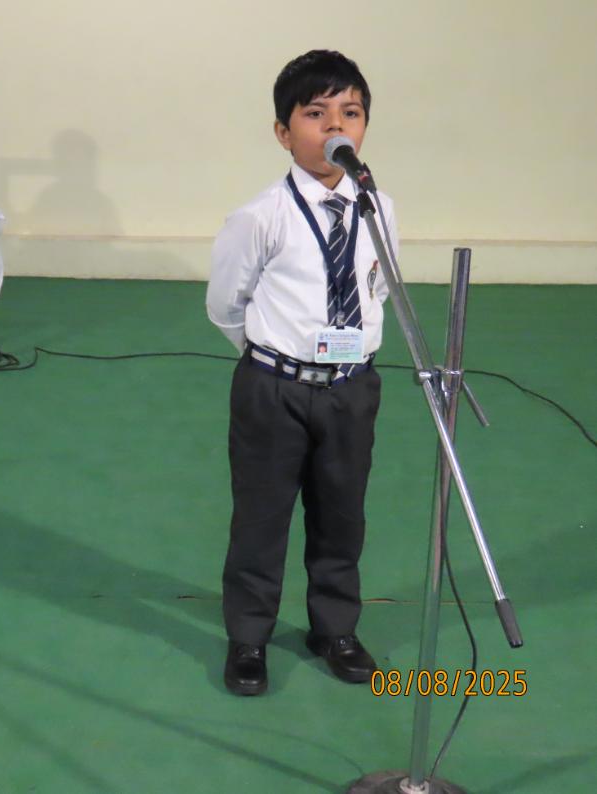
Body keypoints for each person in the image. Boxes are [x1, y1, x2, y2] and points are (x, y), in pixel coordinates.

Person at [206, 50, 398, 696]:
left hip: (351, 388)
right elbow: (226, 303)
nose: (336, 126)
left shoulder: (379, 206)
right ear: (283, 133)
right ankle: (249, 638)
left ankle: (335, 629)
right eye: (316, 114)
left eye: (351, 112)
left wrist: (346, 355)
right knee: (261, 519)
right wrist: (276, 356)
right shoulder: (261, 215)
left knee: (342, 514)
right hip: (275, 388)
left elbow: (377, 288)